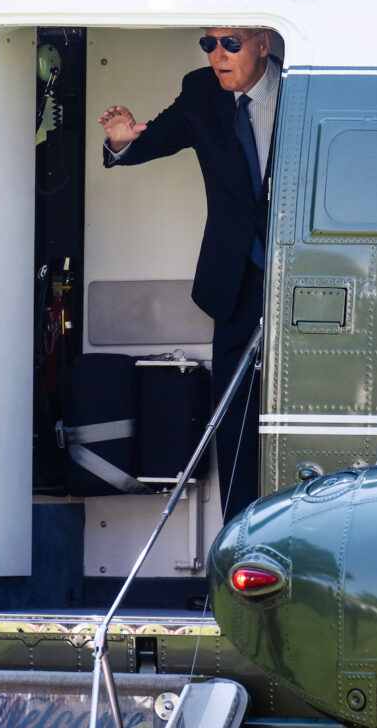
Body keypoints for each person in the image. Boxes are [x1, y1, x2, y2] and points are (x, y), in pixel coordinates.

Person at [99, 27, 278, 519]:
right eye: (209, 44)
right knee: (235, 419)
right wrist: (121, 143)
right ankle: (239, 543)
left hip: (306, 280)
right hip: (236, 282)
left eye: (231, 44)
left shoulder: (306, 85)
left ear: (263, 43)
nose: (218, 55)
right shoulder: (201, 92)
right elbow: (150, 140)